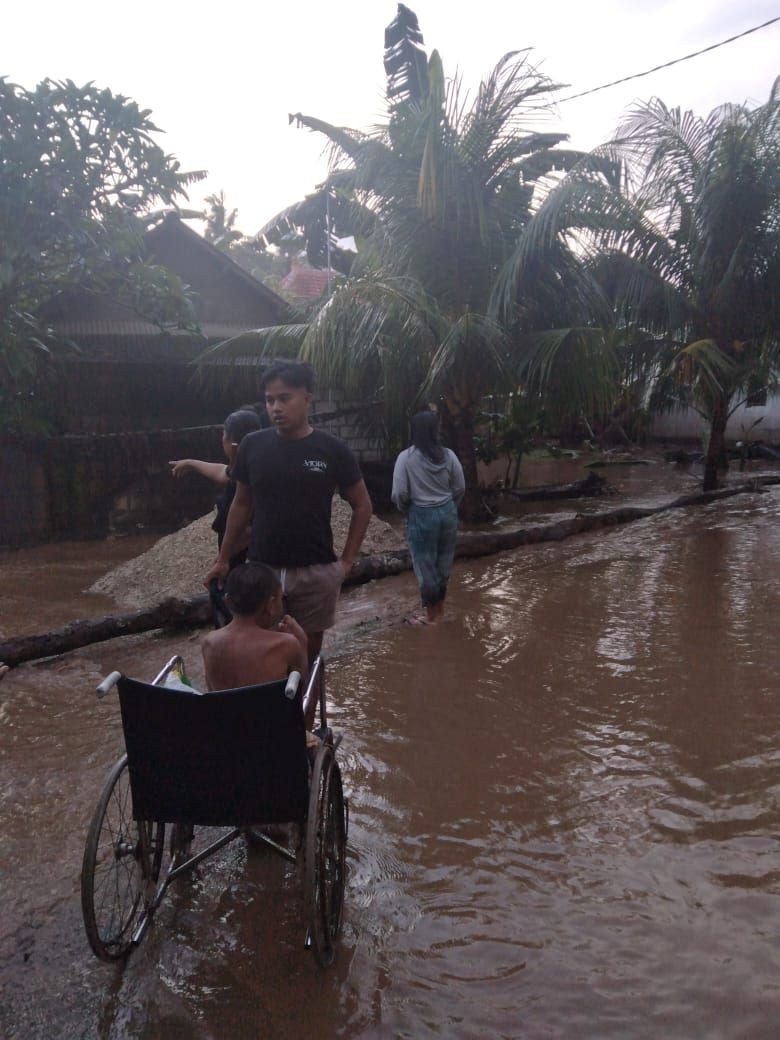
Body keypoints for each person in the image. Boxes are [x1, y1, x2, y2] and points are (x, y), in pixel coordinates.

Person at [204, 361, 373, 675]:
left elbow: (362, 505)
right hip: (262, 570)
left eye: (284, 398)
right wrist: (224, 558)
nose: (275, 408)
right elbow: (241, 504)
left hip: (316, 571)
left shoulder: (331, 449)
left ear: (306, 398)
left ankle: (302, 719)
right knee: (259, 655)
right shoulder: (254, 446)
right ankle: (268, 718)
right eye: (270, 400)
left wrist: (346, 563)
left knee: (307, 656)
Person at [391, 410, 465, 625]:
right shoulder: (449, 455)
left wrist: (407, 510)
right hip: (448, 513)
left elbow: (399, 493)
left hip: (421, 514)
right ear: (435, 430)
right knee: (443, 565)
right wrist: (450, 506)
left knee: (426, 568)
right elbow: (460, 487)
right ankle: (439, 610)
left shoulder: (405, 458)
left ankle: (431, 619)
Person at [170, 407, 263, 572]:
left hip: (248, 563)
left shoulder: (253, 477)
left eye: (224, 434)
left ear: (233, 442)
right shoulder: (243, 467)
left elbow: (252, 530)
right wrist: (190, 463)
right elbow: (221, 472)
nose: (222, 439)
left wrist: (223, 559)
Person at [201, 562, 308, 691]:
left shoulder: (209, 643)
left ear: (227, 602)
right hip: (272, 711)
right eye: (281, 598)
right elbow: (302, 698)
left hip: (226, 711)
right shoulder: (287, 644)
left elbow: (212, 693)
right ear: (270, 605)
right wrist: (302, 643)